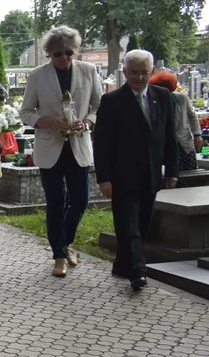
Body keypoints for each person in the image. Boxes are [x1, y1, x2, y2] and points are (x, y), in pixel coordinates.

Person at [20, 25, 102, 278]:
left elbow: (98, 105)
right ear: (48, 54)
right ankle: (59, 255)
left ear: (76, 51)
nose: (64, 58)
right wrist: (45, 121)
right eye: (58, 54)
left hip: (78, 144)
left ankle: (66, 242)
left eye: (69, 52)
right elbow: (26, 112)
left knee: (80, 200)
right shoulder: (37, 75)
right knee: (55, 203)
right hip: (50, 145)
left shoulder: (89, 72)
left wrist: (87, 121)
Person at [94, 50, 179, 291]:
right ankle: (138, 272)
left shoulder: (162, 97)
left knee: (142, 224)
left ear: (151, 72)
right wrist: (104, 178)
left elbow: (168, 136)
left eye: (144, 73)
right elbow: (102, 143)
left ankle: (123, 265)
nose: (139, 78)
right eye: (134, 73)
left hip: (151, 173)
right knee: (128, 225)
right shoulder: (112, 101)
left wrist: (172, 170)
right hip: (122, 176)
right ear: (125, 71)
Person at [149, 70, 201, 172]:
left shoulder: (181, 98)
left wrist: (197, 134)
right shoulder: (153, 102)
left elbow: (192, 116)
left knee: (189, 174)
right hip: (164, 145)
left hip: (183, 143)